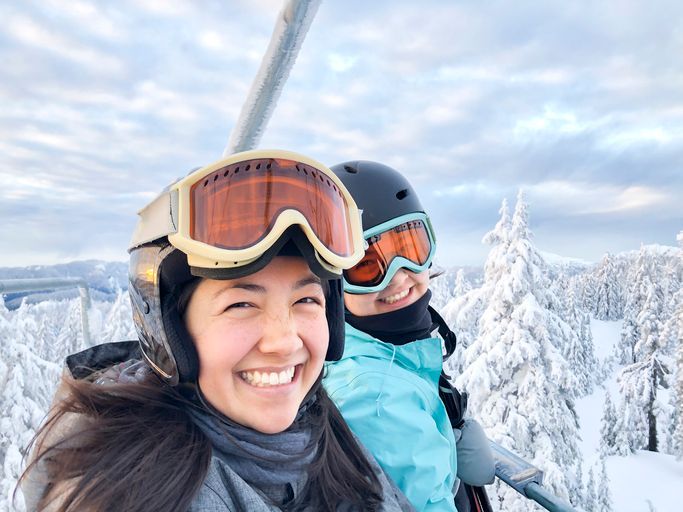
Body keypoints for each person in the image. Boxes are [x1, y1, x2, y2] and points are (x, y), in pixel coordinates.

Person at [19, 150, 415, 512]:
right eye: (241, 305)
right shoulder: (134, 491)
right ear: (172, 333)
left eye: (306, 301)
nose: (284, 341)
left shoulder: (318, 425)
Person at [323, 161, 496, 512]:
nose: (400, 277)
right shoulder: (377, 401)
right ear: (332, 283)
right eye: (368, 264)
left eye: (411, 249)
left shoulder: (375, 353)